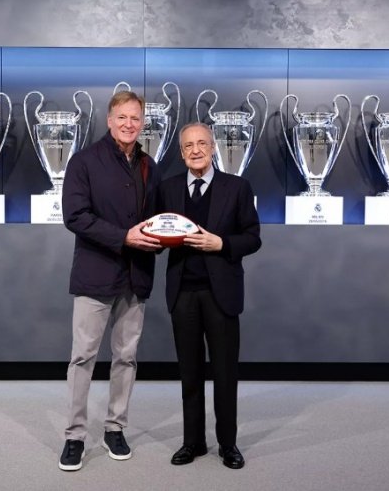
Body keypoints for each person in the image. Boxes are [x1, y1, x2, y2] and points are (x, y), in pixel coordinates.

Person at [58, 90, 162, 471]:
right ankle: (74, 436)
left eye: (135, 118)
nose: (129, 124)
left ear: (142, 122)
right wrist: (124, 237)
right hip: (96, 275)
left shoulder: (150, 165)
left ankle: (114, 428)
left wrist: (164, 236)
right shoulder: (83, 162)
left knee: (126, 358)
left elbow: (157, 218)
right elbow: (75, 216)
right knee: (83, 357)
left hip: (136, 276)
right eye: (122, 117)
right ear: (109, 119)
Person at [156, 122, 261, 469]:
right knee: (189, 373)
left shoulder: (237, 187)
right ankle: (193, 442)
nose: (196, 150)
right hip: (182, 293)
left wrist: (222, 243)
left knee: (225, 373)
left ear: (213, 147)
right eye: (188, 145)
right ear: (181, 152)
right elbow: (157, 233)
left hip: (222, 294)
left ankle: (228, 444)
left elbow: (253, 237)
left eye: (202, 143)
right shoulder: (168, 188)